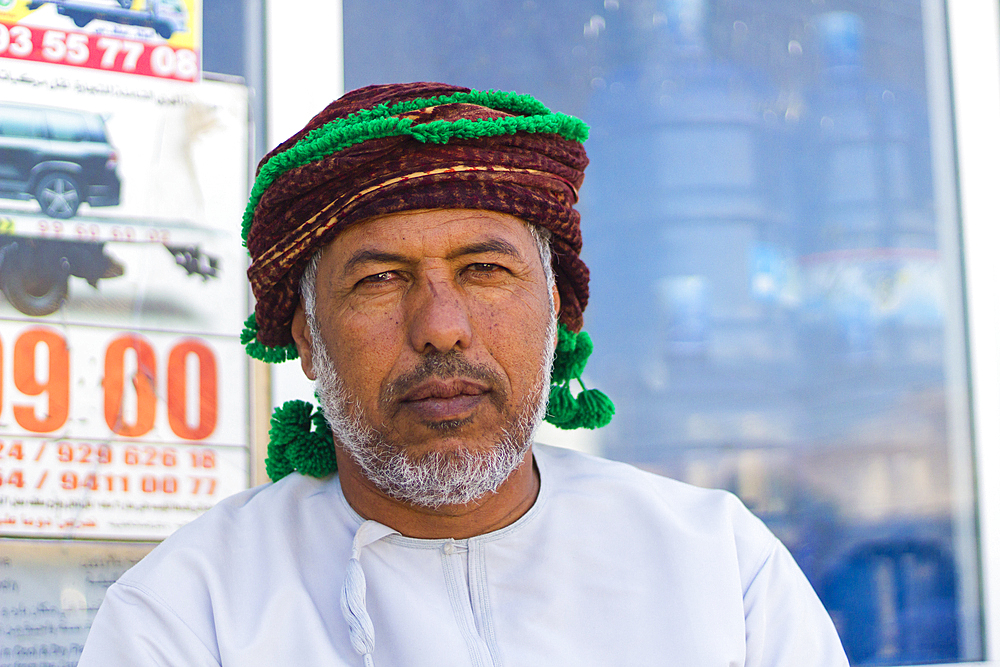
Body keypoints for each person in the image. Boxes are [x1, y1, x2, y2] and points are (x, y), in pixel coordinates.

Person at [79, 82, 849, 666]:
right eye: (379, 280)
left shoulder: (718, 567)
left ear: (555, 311)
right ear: (306, 340)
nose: (440, 326)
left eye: (483, 269)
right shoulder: (188, 613)